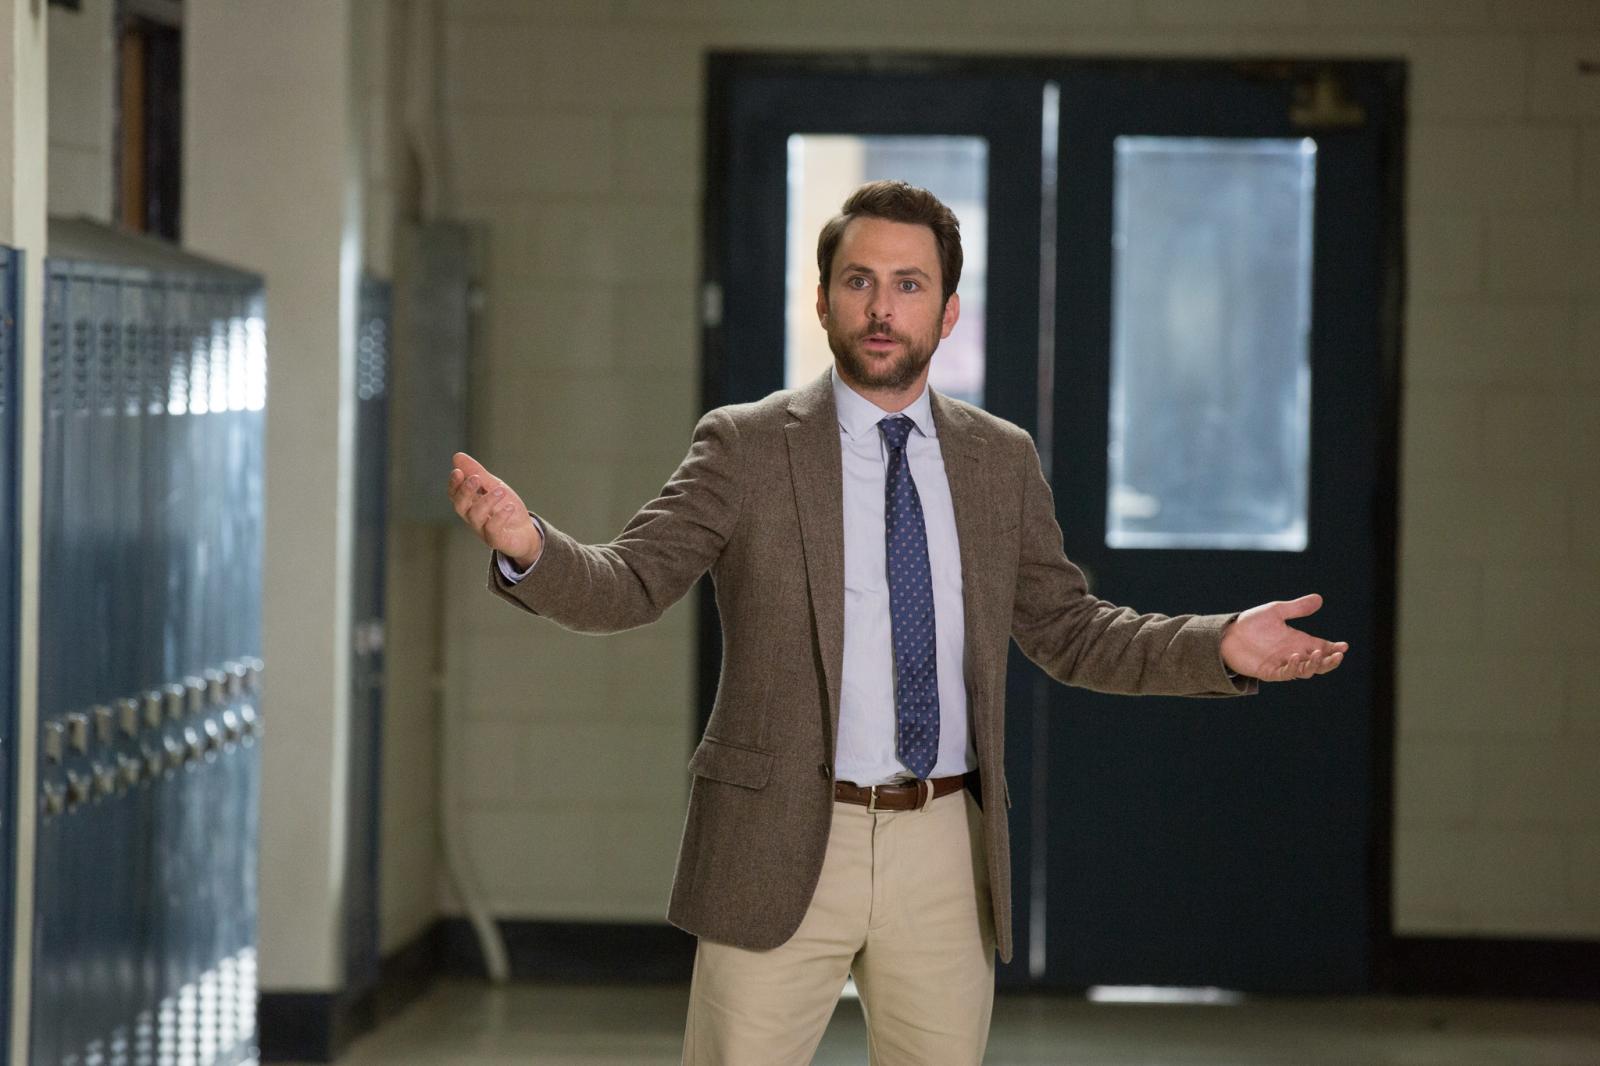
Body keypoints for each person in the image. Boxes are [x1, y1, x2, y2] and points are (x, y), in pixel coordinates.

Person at [447, 180, 1347, 1066]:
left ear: (948, 312)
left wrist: (1218, 643)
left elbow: (1070, 630)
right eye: (860, 281)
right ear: (823, 301)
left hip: (945, 846)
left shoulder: (999, 461)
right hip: (778, 840)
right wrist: (531, 547)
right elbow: (631, 582)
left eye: (909, 284)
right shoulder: (746, 445)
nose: (882, 308)